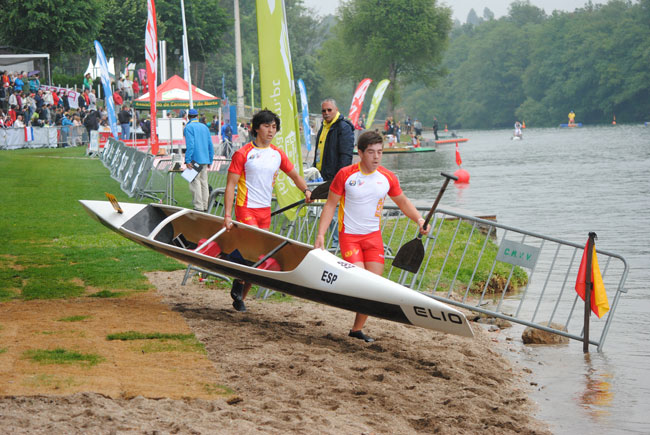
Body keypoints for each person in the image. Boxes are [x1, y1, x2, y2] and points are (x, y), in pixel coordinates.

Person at [314, 131, 429, 342]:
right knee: (362, 281)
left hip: (373, 238)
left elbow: (402, 202)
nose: (376, 157)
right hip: (350, 237)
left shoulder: (387, 177)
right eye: (371, 152)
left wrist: (419, 220)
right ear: (360, 153)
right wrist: (321, 234)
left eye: (380, 152)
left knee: (374, 286)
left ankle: (356, 330)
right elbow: (330, 205)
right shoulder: (346, 175)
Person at [224, 109, 312, 312]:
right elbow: (230, 186)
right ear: (256, 128)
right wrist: (228, 215)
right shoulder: (243, 153)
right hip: (245, 208)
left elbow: (295, 176)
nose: (271, 130)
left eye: (274, 127)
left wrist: (306, 190)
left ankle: (240, 299)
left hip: (264, 211)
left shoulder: (277, 154)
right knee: (254, 250)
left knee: (260, 255)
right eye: (266, 126)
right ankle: (238, 279)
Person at [312, 98, 354, 182]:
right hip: (320, 175)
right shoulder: (323, 126)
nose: (326, 113)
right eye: (324, 111)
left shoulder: (344, 127)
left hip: (334, 178)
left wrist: (339, 178)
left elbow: (346, 156)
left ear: (336, 110)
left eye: (329, 110)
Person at [184, 108, 214, 212]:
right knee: (204, 183)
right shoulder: (204, 127)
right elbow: (210, 144)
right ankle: (206, 205)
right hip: (205, 158)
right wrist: (210, 159)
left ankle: (198, 206)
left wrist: (187, 160)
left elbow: (190, 145)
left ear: (188, 117)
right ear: (197, 116)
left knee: (194, 182)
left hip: (194, 159)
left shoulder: (188, 127)